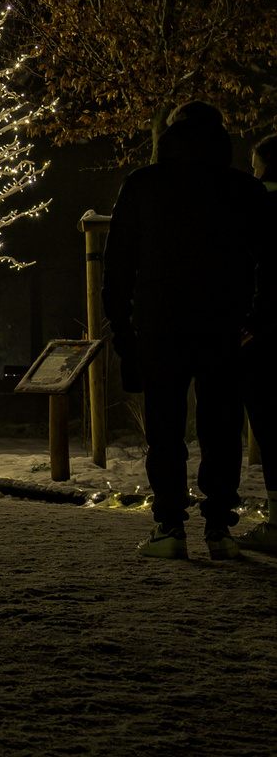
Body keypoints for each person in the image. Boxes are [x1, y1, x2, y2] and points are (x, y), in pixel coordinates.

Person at [103, 103, 268, 560]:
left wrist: (123, 329)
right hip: (223, 326)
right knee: (221, 427)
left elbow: (118, 268)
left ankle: (170, 526)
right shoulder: (243, 189)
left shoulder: (143, 186)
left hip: (160, 324)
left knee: (165, 429)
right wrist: (254, 318)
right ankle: (219, 528)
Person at [236, 133, 277, 553]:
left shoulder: (257, 209)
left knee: (269, 426)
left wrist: (250, 323)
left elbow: (260, 270)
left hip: (266, 334)